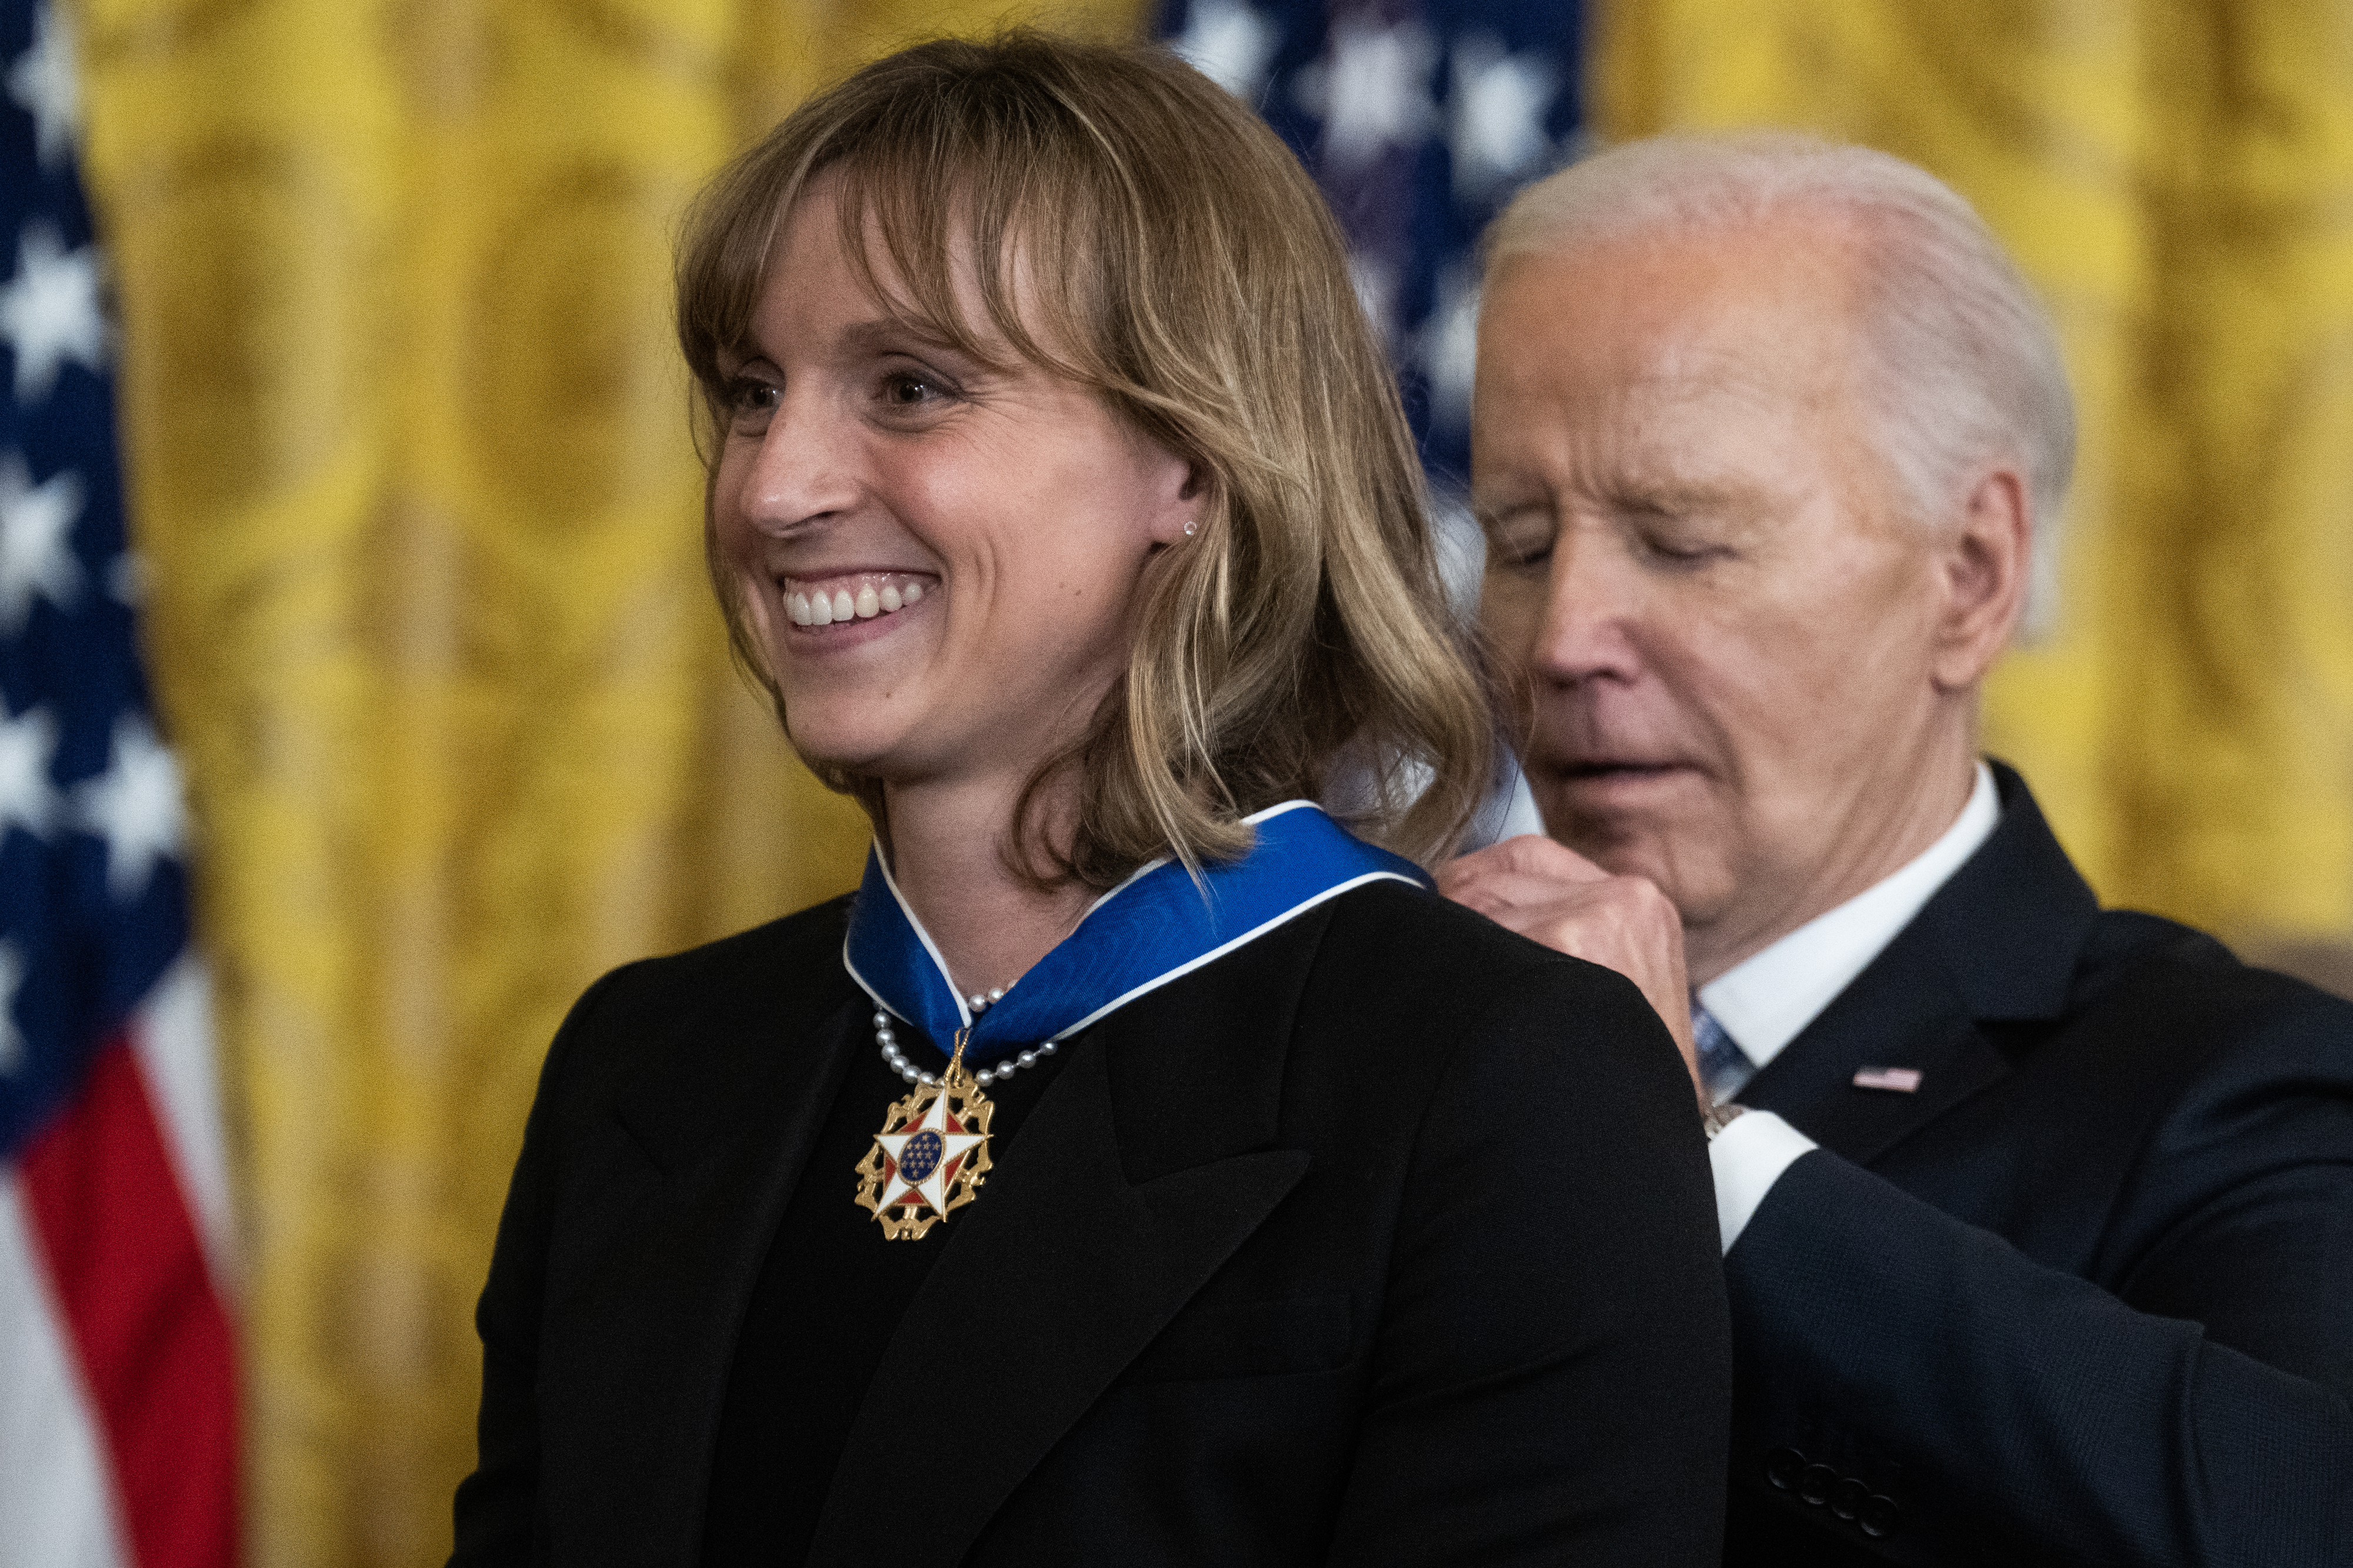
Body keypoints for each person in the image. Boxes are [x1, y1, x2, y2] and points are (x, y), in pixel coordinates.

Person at [449, 35, 1731, 1568]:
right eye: (750, 392)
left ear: (1191, 460)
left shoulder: (1498, 1074)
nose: (776, 488)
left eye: (912, 387)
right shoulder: (641, 1062)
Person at [1443, 133, 2353, 1566]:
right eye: (1518, 540)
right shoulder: (1404, 1044)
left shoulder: (2241, 1092)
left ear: (1969, 573)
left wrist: (1686, 1149)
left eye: (1680, 541)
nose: (1560, 642)